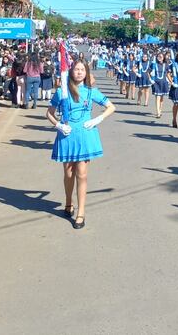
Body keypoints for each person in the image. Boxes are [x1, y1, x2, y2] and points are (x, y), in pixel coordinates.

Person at [46, 61, 115, 230]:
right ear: (71, 71)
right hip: (67, 135)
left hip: (85, 135)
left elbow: (111, 107)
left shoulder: (91, 91)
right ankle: (69, 202)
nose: (79, 72)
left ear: (86, 72)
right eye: (76, 69)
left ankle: (81, 212)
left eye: (82, 69)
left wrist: (97, 119)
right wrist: (59, 125)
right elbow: (49, 113)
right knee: (68, 173)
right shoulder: (62, 91)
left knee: (82, 174)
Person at [149, 53, 169, 118]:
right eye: (158, 56)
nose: (160, 57)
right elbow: (148, 72)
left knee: (161, 98)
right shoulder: (154, 64)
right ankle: (158, 112)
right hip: (156, 83)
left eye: (161, 56)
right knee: (157, 97)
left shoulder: (166, 65)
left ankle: (160, 109)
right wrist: (150, 79)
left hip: (164, 83)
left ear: (163, 58)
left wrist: (171, 81)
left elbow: (168, 73)